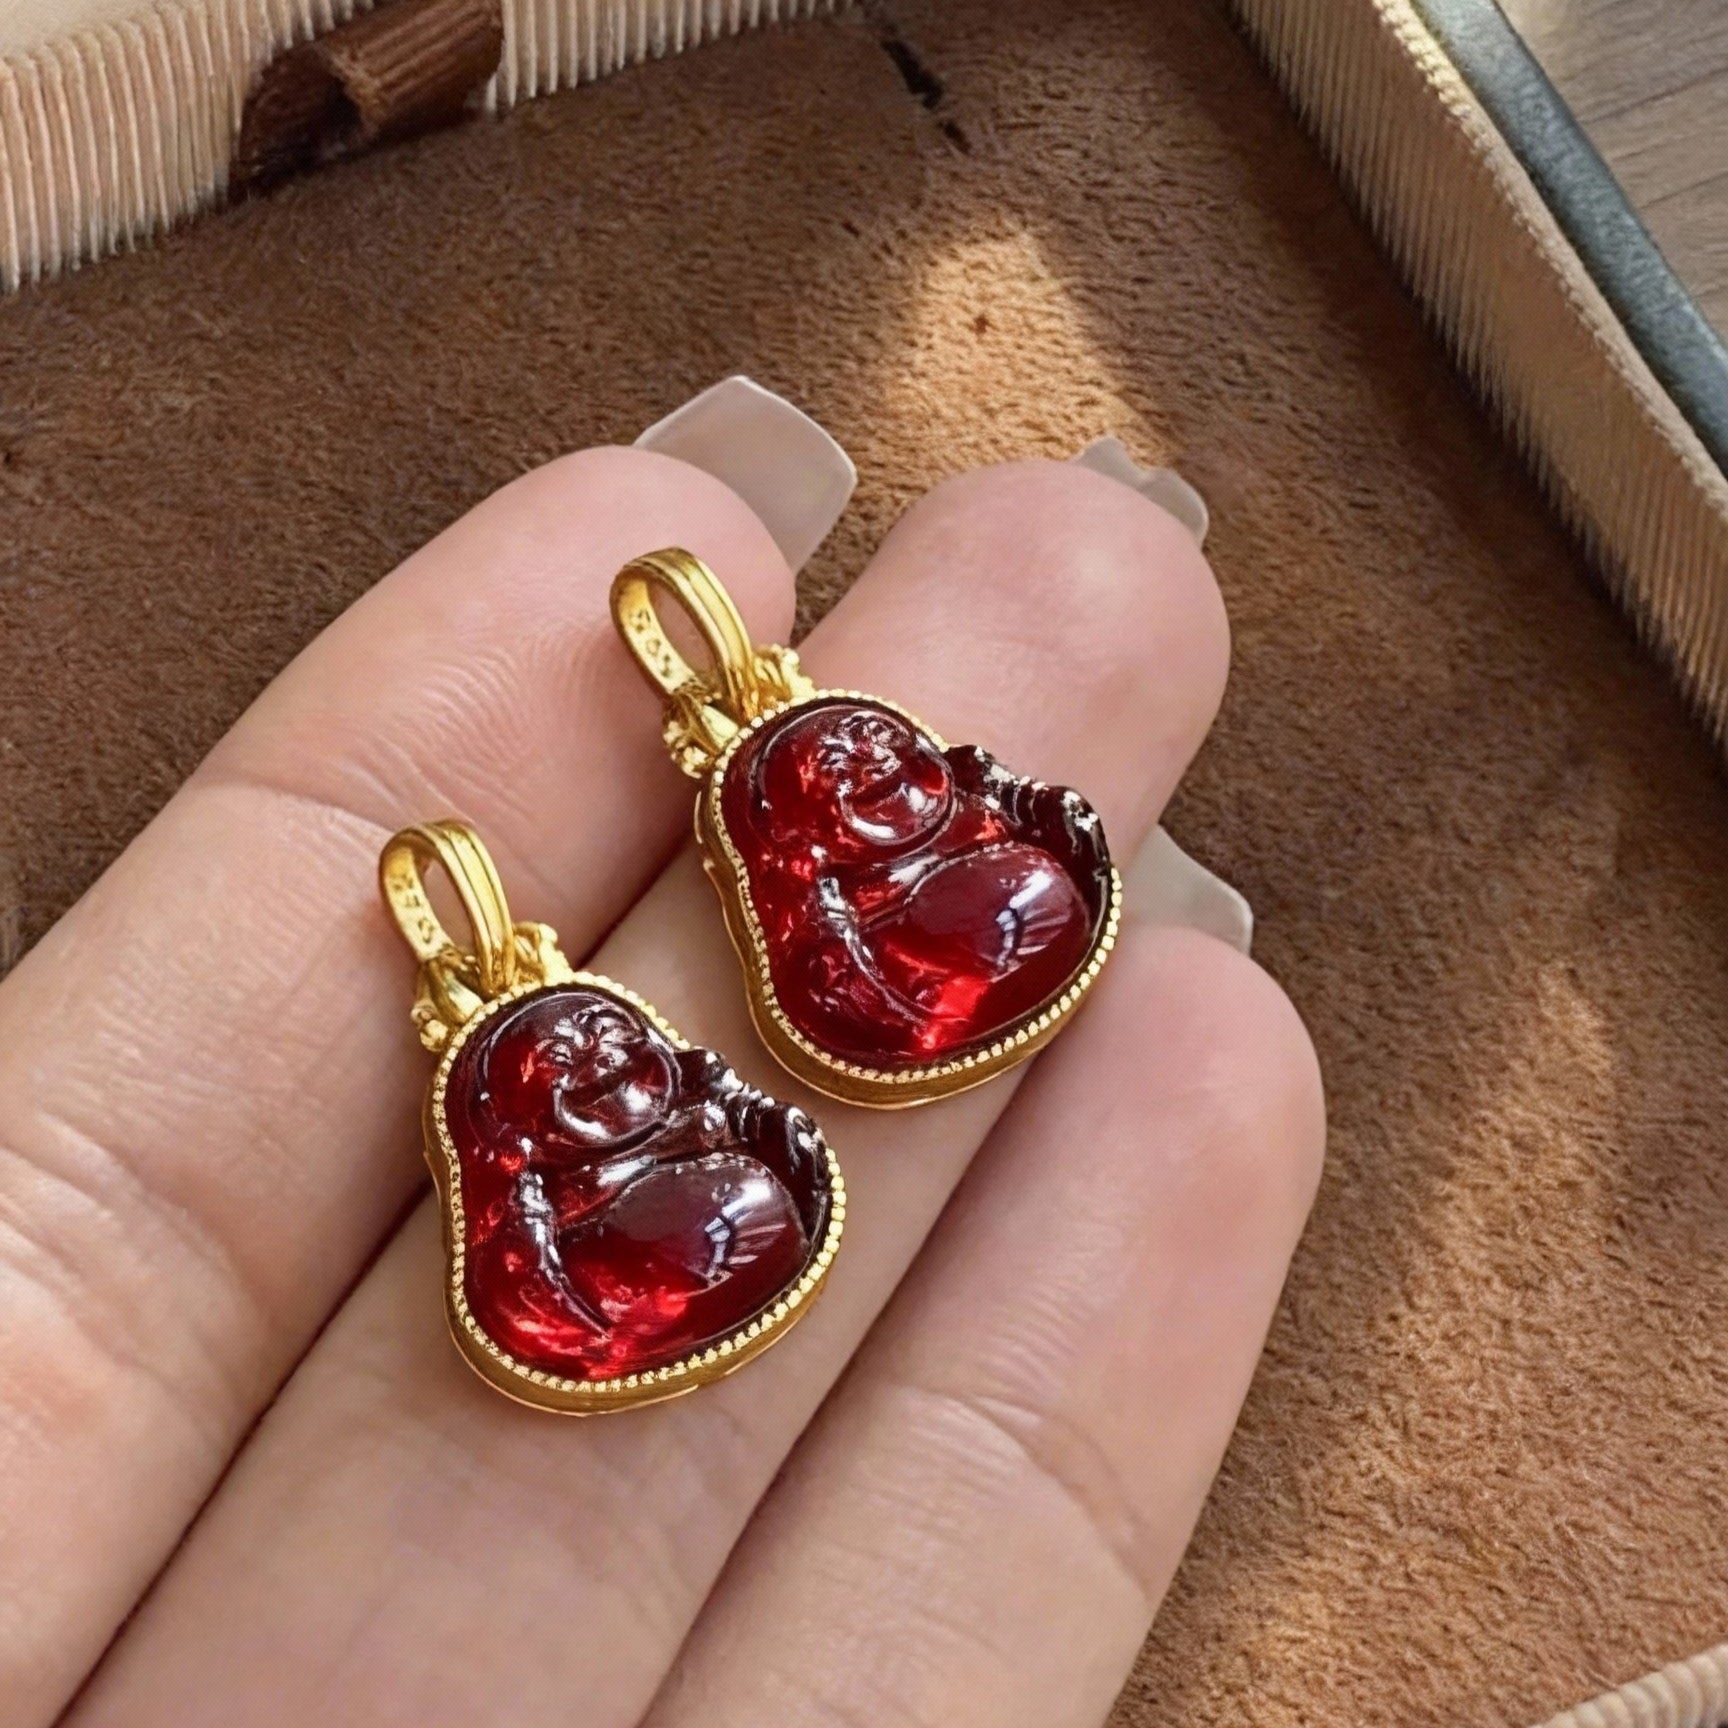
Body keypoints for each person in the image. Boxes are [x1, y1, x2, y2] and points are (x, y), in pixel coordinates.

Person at [0, 449, 1323, 1727]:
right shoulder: (554, 1151)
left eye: (879, 760)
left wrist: (1030, 849)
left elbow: (882, 932)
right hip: (656, 1231)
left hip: (958, 948)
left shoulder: (890, 850)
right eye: (561, 1075)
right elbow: (537, 1236)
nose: (876, 780)